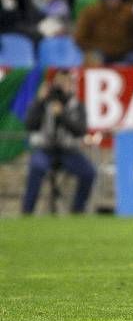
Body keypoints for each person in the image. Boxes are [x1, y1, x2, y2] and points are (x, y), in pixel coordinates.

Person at [22, 69, 96, 215]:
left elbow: (80, 130)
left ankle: (77, 210)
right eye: (58, 82)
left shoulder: (77, 106)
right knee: (36, 167)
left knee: (89, 172)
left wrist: (62, 115)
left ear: (71, 85)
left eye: (65, 83)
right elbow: (30, 125)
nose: (61, 86)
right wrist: (39, 101)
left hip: (69, 151)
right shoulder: (43, 103)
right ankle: (27, 212)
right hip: (46, 149)